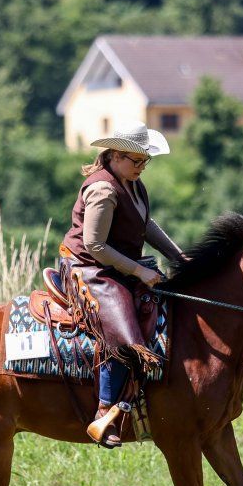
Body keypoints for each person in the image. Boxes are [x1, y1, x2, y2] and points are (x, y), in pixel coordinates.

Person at [59, 121, 186, 448]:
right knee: (123, 326)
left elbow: (145, 225)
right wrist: (140, 271)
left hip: (117, 266)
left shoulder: (131, 183)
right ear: (115, 155)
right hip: (87, 267)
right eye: (136, 160)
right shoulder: (102, 189)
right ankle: (104, 412)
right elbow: (95, 245)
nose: (142, 167)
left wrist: (178, 257)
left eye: (146, 161)